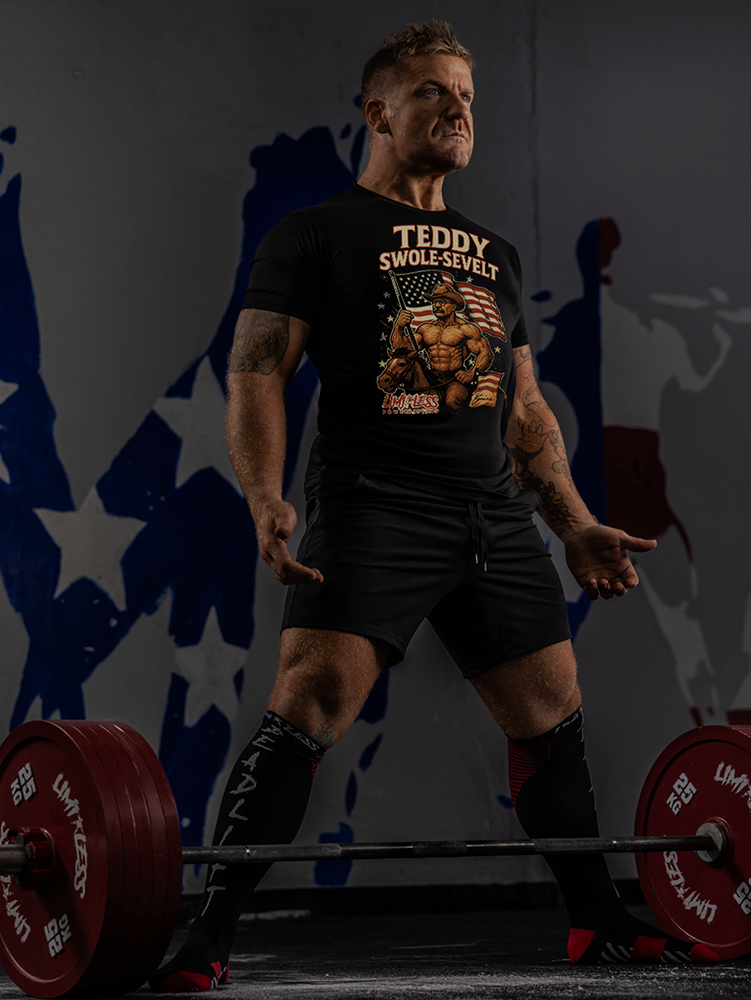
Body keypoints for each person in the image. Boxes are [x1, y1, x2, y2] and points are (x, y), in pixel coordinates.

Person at [147, 20, 718, 992]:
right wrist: (261, 495)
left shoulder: (489, 255)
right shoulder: (315, 232)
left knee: (550, 711)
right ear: (376, 112)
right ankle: (209, 931)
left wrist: (571, 518)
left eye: (464, 93)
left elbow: (524, 409)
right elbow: (254, 372)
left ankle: (593, 922)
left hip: (490, 514)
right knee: (311, 706)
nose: (456, 106)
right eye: (430, 92)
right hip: (376, 505)